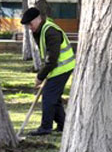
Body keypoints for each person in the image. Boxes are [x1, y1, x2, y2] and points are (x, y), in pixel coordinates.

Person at [20, 7, 76, 136]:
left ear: (38, 19)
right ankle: (63, 125)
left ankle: (45, 128)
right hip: (56, 68)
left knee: (48, 97)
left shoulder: (50, 31)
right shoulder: (39, 31)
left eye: (30, 24)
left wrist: (40, 76)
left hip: (62, 67)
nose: (29, 27)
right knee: (54, 98)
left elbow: (52, 59)